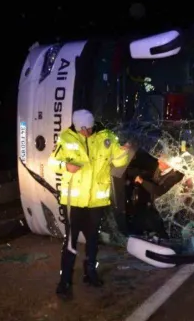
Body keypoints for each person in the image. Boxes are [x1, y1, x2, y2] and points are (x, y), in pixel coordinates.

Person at [48, 109, 133, 300]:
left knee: (93, 240)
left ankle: (90, 274)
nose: (85, 132)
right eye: (82, 129)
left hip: (96, 201)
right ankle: (65, 280)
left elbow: (119, 162)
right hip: (73, 201)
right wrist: (65, 167)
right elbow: (53, 162)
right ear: (77, 127)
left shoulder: (107, 137)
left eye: (87, 127)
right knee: (70, 241)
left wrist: (124, 152)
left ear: (91, 124)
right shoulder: (66, 138)